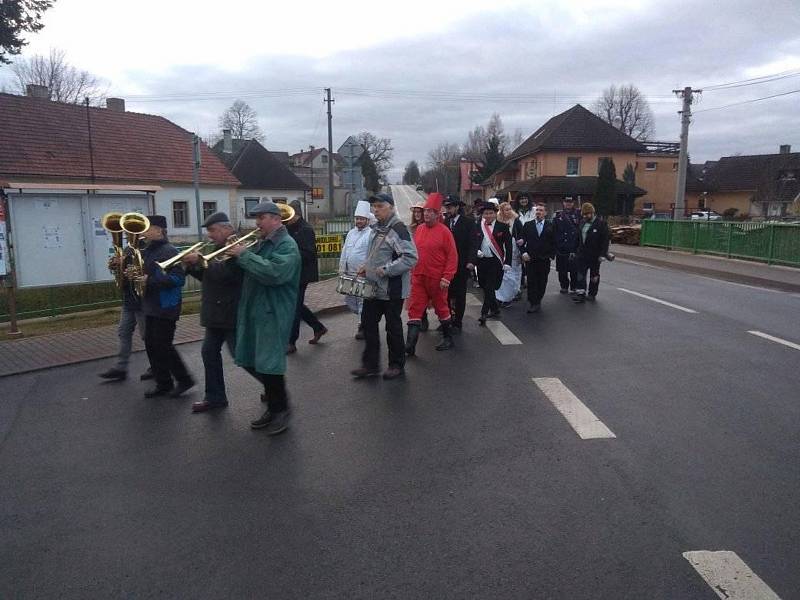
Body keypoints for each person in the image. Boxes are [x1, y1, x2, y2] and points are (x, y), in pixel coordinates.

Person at [226, 201, 300, 434]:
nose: (256, 223)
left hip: (274, 311)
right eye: (256, 218)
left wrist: (244, 255)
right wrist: (232, 257)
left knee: (269, 363)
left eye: (261, 218)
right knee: (259, 361)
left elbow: (274, 273)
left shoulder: (287, 245)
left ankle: (282, 409)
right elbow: (245, 271)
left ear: (276, 219)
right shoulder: (262, 242)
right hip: (257, 308)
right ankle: (274, 406)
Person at [182, 212, 246, 413]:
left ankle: (273, 386)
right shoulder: (218, 249)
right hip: (215, 312)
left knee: (241, 356)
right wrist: (193, 266)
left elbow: (227, 275)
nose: (209, 236)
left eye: (212, 230)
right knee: (209, 352)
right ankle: (215, 397)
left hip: (230, 311)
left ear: (226, 228)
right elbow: (209, 277)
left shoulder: (236, 247)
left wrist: (201, 261)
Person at [351, 193, 418, 380]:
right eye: (374, 207)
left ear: (391, 207)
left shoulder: (398, 229)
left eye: (380, 206)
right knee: (368, 324)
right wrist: (367, 266)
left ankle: (396, 365)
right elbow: (376, 254)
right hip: (373, 287)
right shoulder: (377, 228)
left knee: (393, 328)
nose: (376, 210)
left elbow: (411, 257)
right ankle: (370, 364)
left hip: (392, 290)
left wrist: (386, 270)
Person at [138, 215, 195, 398]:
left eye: (148, 228)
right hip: (151, 304)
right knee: (151, 344)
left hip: (166, 305)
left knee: (163, 345)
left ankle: (184, 379)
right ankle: (163, 383)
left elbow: (178, 279)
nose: (144, 232)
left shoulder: (169, 251)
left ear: (159, 230)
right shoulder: (147, 250)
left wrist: (151, 280)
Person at [405, 192, 458, 356]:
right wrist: (411, 272)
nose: (426, 214)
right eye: (425, 211)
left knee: (442, 308)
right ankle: (410, 345)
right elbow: (414, 252)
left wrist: (447, 277)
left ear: (437, 214)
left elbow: (452, 256)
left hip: (437, 279)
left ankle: (448, 338)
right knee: (414, 309)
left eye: (430, 211)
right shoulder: (419, 229)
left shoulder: (445, 232)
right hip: (419, 277)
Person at [98, 240, 150, 382]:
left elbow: (146, 270)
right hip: (128, 300)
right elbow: (123, 274)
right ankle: (121, 368)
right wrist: (116, 266)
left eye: (130, 232)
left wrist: (129, 266)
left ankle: (156, 366)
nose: (128, 234)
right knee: (123, 332)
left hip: (142, 301)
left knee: (147, 336)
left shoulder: (147, 249)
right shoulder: (126, 250)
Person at [286, 199, 327, 354]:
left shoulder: (305, 229)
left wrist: (289, 254)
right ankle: (318, 327)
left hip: (303, 274)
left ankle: (291, 342)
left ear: (296, 215)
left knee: (294, 307)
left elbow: (309, 254)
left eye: (288, 216)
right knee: (296, 305)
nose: (286, 219)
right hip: (291, 273)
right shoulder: (288, 228)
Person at [467, 200, 512, 325]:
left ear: (495, 213)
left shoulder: (502, 227)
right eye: (485, 213)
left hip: (495, 261)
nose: (488, 216)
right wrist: (476, 252)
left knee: (490, 286)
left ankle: (483, 313)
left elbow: (509, 246)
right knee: (483, 285)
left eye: (490, 213)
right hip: (482, 261)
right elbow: (473, 242)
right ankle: (495, 309)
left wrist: (508, 262)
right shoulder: (477, 226)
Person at [339, 200, 374, 339]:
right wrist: (342, 268)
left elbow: (372, 255)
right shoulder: (351, 233)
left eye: (361, 219)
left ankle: (362, 326)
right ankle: (365, 321)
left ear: (367, 219)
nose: (358, 221)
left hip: (363, 274)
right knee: (350, 300)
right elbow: (344, 251)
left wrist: (367, 268)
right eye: (357, 218)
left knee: (362, 301)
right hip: (349, 273)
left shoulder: (370, 234)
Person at [443, 195, 474, 331]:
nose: (448, 210)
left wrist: (471, 261)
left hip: (462, 264)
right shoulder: (444, 223)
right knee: (447, 294)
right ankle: (448, 319)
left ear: (457, 207)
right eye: (446, 207)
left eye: (450, 207)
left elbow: (473, 243)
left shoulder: (468, 222)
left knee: (460, 294)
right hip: (446, 266)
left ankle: (458, 322)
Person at [520, 203, 556, 313]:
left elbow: (554, 242)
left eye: (541, 210)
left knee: (542, 281)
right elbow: (521, 241)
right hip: (531, 258)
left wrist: (551, 255)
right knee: (531, 281)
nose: (538, 212)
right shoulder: (528, 225)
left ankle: (538, 299)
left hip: (544, 259)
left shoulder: (551, 225)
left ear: (545, 213)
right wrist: (523, 252)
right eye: (537, 210)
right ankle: (533, 302)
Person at [573, 202, 611, 304]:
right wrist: (574, 250)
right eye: (584, 214)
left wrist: (603, 254)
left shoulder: (601, 224)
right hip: (582, 254)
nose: (585, 216)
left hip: (595, 255)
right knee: (580, 275)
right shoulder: (582, 223)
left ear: (592, 213)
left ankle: (592, 293)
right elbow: (578, 238)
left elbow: (605, 241)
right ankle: (580, 294)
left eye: (587, 214)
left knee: (594, 276)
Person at [495, 201, 523, 307]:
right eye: (506, 209)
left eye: (510, 209)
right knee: (503, 274)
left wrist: (521, 249)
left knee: (514, 272)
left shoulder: (516, 220)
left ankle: (512, 293)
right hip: (502, 248)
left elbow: (521, 235)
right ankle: (501, 296)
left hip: (514, 248)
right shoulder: (498, 221)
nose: (509, 211)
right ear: (501, 211)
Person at [553, 196, 582, 294]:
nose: (568, 204)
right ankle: (564, 286)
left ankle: (574, 286)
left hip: (574, 246)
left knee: (574, 269)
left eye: (570, 202)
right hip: (561, 246)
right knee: (562, 270)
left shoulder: (578, 214)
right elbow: (554, 230)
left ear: (573, 203)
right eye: (566, 202)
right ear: (563, 203)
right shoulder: (558, 215)